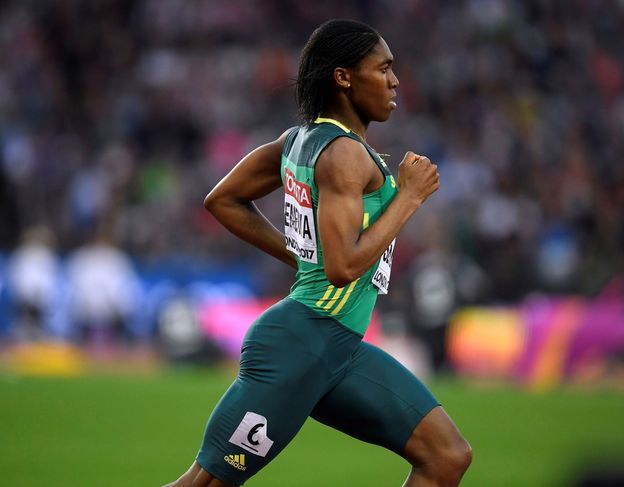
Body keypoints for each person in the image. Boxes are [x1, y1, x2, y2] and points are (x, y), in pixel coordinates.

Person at [165, 19, 472, 487]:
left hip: (340, 348)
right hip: (302, 342)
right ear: (344, 77)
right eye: (383, 69)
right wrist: (408, 197)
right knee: (201, 485)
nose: (394, 81)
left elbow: (223, 199)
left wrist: (297, 257)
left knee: (447, 456)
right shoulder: (345, 155)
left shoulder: (298, 140)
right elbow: (343, 266)